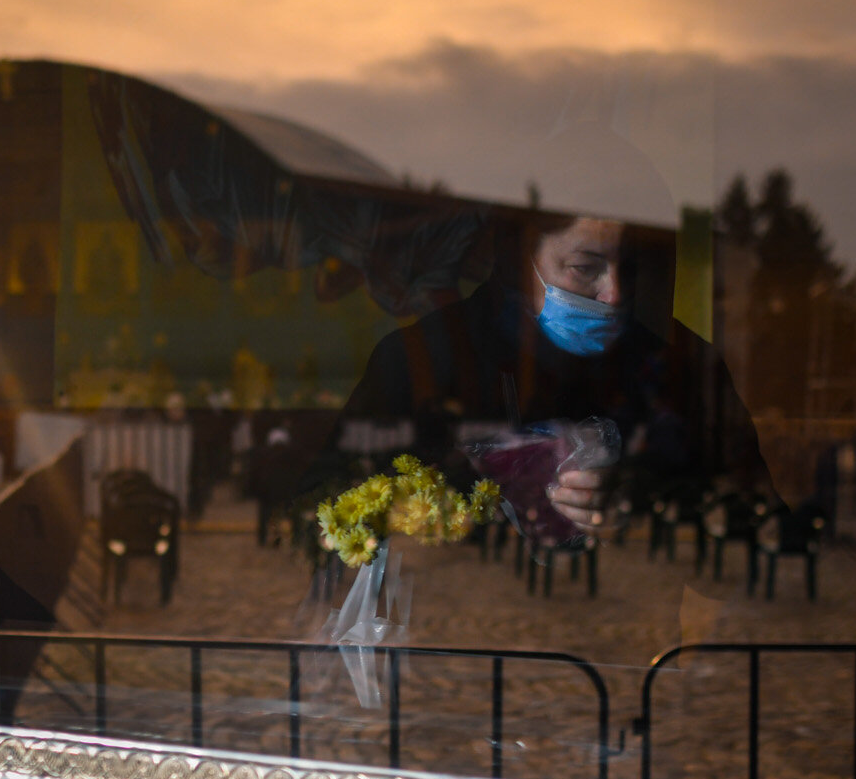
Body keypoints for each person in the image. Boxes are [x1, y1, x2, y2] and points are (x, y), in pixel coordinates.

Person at [324, 129, 774, 540]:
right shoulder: (414, 360)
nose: (614, 294)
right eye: (585, 268)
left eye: (632, 268)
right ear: (523, 255)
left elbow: (751, 496)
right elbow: (333, 505)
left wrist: (635, 492)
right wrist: (466, 495)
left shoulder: (685, 369)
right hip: (461, 620)